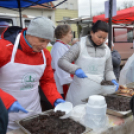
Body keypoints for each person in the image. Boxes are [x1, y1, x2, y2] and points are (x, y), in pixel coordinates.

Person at [0, 17, 65, 131]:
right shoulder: (4, 48)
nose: (45, 46)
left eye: (48, 42)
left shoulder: (45, 55)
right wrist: (7, 101)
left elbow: (47, 81)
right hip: (6, 115)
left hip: (34, 115)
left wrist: (55, 98)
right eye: (41, 40)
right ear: (30, 33)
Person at [58, 20, 119, 106]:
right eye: (99, 37)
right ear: (92, 33)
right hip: (79, 93)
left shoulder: (107, 50)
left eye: (104, 38)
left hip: (98, 93)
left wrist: (112, 79)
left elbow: (108, 70)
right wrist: (75, 69)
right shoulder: (79, 46)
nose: (101, 40)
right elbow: (62, 61)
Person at [51, 25, 73, 98]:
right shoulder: (58, 48)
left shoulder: (65, 46)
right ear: (63, 35)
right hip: (62, 83)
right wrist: (69, 83)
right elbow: (61, 68)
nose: (71, 35)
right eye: (70, 33)